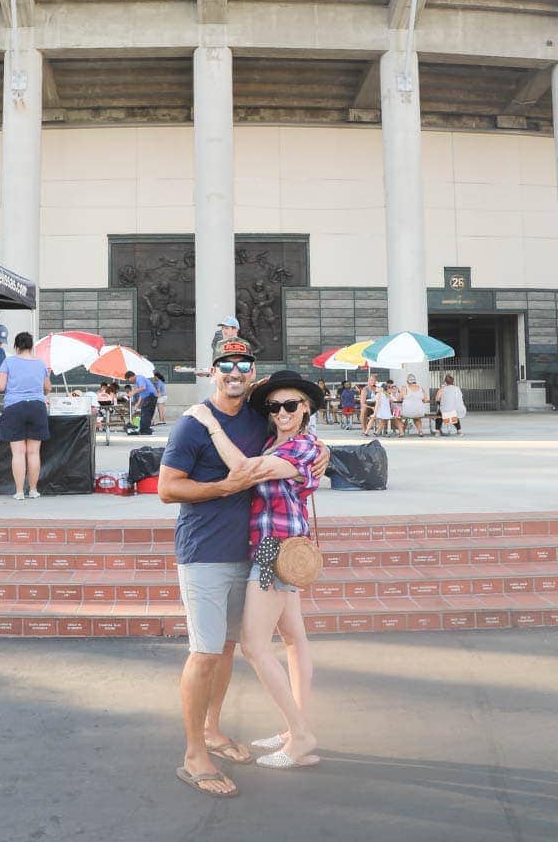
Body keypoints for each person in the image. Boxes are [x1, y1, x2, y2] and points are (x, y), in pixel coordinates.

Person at [158, 337, 329, 800]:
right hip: (208, 552)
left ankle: (219, 730)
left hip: (257, 552)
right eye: (225, 364)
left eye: (243, 364)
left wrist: (319, 454)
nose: (234, 371)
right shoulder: (192, 425)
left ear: (253, 372)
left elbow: (290, 445)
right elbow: (167, 489)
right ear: (212, 370)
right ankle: (196, 753)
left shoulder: (259, 419)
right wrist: (220, 483)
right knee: (207, 652)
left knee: (234, 646)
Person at [0, 331, 51, 500]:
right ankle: (33, 490)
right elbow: (47, 388)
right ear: (32, 346)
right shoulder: (41, 364)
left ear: (16, 346)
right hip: (37, 407)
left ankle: (19, 492)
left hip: (14, 407)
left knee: (18, 453)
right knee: (34, 452)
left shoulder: (8, 362)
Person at [126, 369, 157, 435]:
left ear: (131, 376)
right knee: (146, 412)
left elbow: (143, 388)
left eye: (129, 379)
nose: (130, 381)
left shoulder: (139, 378)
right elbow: (141, 393)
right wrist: (138, 403)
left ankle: (145, 430)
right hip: (149, 397)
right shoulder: (138, 381)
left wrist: (133, 392)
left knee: (146, 412)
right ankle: (145, 429)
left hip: (150, 396)